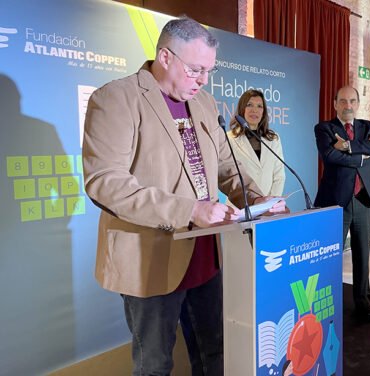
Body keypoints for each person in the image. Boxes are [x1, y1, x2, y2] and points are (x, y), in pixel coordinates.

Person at [82, 17, 285, 375]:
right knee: (154, 363)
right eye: (195, 69)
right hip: (150, 257)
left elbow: (226, 167)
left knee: (216, 354)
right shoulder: (116, 98)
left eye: (209, 70)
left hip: (207, 256)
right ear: (165, 57)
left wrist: (258, 201)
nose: (204, 79)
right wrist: (188, 209)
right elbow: (105, 181)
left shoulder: (205, 103)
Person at [314, 86, 370, 322]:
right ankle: (326, 303)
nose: (348, 106)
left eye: (352, 101)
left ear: (358, 103)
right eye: (343, 101)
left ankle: (364, 301)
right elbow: (330, 156)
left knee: (362, 254)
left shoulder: (367, 127)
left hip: (364, 199)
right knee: (330, 255)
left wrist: (349, 147)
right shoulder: (324, 128)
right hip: (336, 201)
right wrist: (364, 156)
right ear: (335, 103)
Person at [227, 89, 285, 197]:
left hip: (269, 207)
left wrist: (271, 203)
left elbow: (279, 175)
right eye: (250, 105)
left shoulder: (273, 139)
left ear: (263, 112)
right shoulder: (229, 138)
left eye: (259, 106)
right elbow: (229, 177)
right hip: (241, 206)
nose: (255, 110)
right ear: (242, 108)